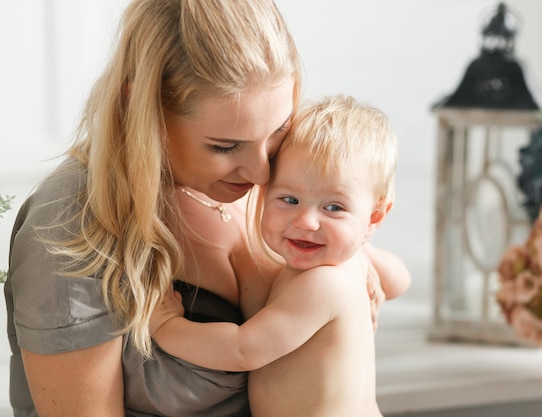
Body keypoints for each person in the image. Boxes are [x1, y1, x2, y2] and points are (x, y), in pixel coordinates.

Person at [4, 1, 408, 416]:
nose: (261, 171)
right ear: (144, 108)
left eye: (278, 130)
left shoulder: (284, 181)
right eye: (224, 146)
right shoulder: (69, 225)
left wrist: (355, 250)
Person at [150, 95, 411, 417]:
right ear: (262, 195)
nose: (306, 222)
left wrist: (166, 326)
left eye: (334, 208)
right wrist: (362, 246)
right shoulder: (351, 260)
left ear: (374, 217)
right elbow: (400, 280)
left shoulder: (322, 284)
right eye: (289, 199)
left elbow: (242, 349)